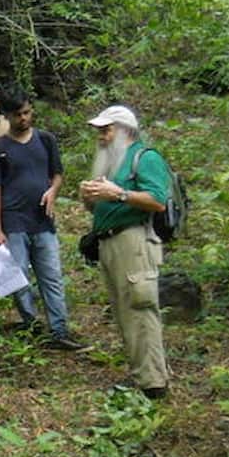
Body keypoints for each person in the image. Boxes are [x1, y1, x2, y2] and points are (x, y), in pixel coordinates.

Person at [0, 84, 90, 351]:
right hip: (14, 222)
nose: (24, 119)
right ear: (7, 115)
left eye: (28, 113)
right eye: (18, 114)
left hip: (43, 221)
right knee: (18, 278)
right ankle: (31, 323)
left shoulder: (45, 140)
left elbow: (57, 173)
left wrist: (53, 192)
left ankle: (59, 330)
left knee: (51, 275)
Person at [78, 104, 171, 399]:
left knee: (140, 310)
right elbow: (104, 203)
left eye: (106, 130)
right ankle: (141, 376)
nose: (101, 137)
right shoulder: (113, 161)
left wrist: (117, 193)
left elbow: (158, 200)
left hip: (134, 242)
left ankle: (153, 384)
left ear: (124, 131)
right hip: (111, 243)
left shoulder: (145, 157)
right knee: (124, 312)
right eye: (99, 131)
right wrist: (92, 197)